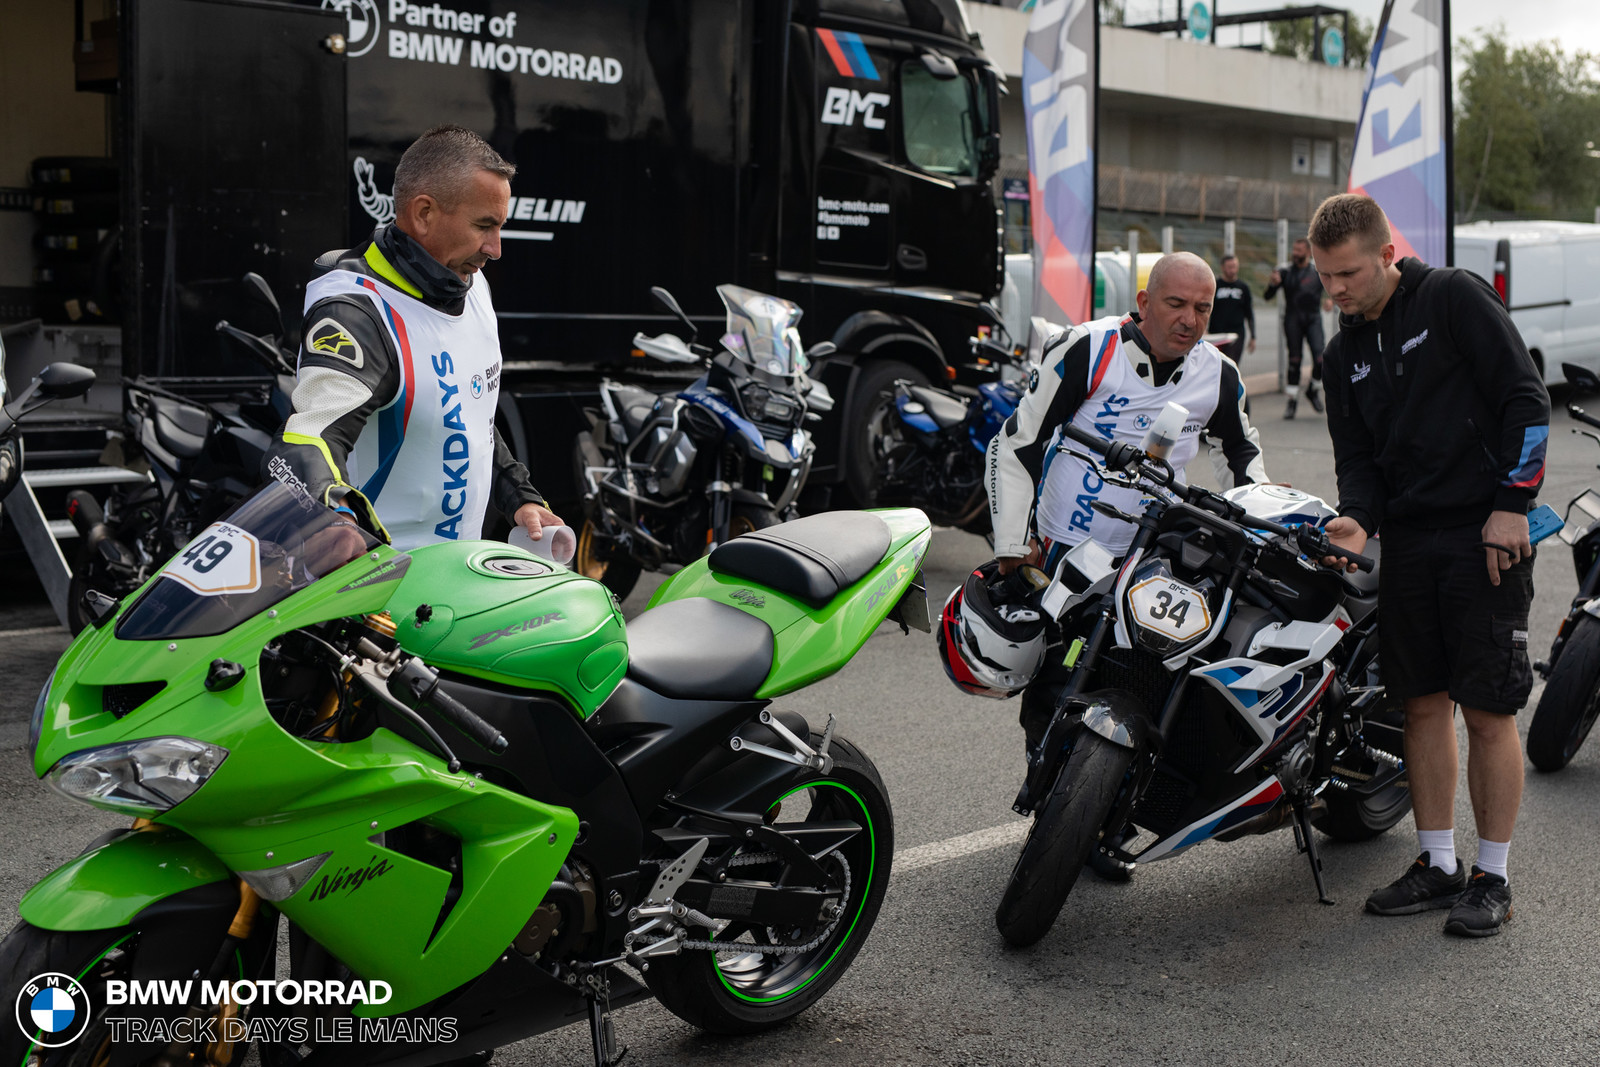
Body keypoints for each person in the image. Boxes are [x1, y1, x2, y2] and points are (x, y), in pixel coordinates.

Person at [1311, 193, 1550, 938]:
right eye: (1324, 277)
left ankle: (1494, 875)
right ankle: (1439, 861)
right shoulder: (1341, 350)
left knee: (1486, 710)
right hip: (1409, 543)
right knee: (1420, 704)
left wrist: (1513, 501)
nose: (1337, 290)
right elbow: (1358, 458)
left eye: (1348, 273)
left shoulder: (1450, 297)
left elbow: (1527, 401)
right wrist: (1358, 516)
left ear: (1387, 253)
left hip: (1486, 535)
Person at [265, 124, 560, 550]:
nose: (495, 248)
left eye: (500, 227)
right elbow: (307, 439)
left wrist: (519, 496)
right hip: (375, 592)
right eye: (484, 226)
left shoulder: (473, 285)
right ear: (423, 213)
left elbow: (466, 415)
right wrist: (331, 515)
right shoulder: (359, 310)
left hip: (448, 581)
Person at [1263, 238, 1327, 419]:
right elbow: (1267, 296)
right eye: (1294, 249)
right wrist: (1273, 284)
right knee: (1294, 361)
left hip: (1313, 318)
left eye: (1299, 250)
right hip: (1293, 320)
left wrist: (1330, 301)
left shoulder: (1318, 269)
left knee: (1321, 360)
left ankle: (1313, 390)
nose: (1295, 253)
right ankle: (1292, 402)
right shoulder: (1284, 270)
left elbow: (1331, 288)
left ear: (1308, 252)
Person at [1210, 254, 1256, 364]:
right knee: (1215, 364)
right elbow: (1206, 309)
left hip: (1236, 334)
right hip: (1216, 333)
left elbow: (1249, 313)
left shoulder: (1243, 287)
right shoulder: (1215, 285)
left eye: (1234, 266)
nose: (1232, 270)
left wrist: (1253, 336)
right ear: (1222, 267)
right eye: (1229, 267)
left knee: (1231, 364)